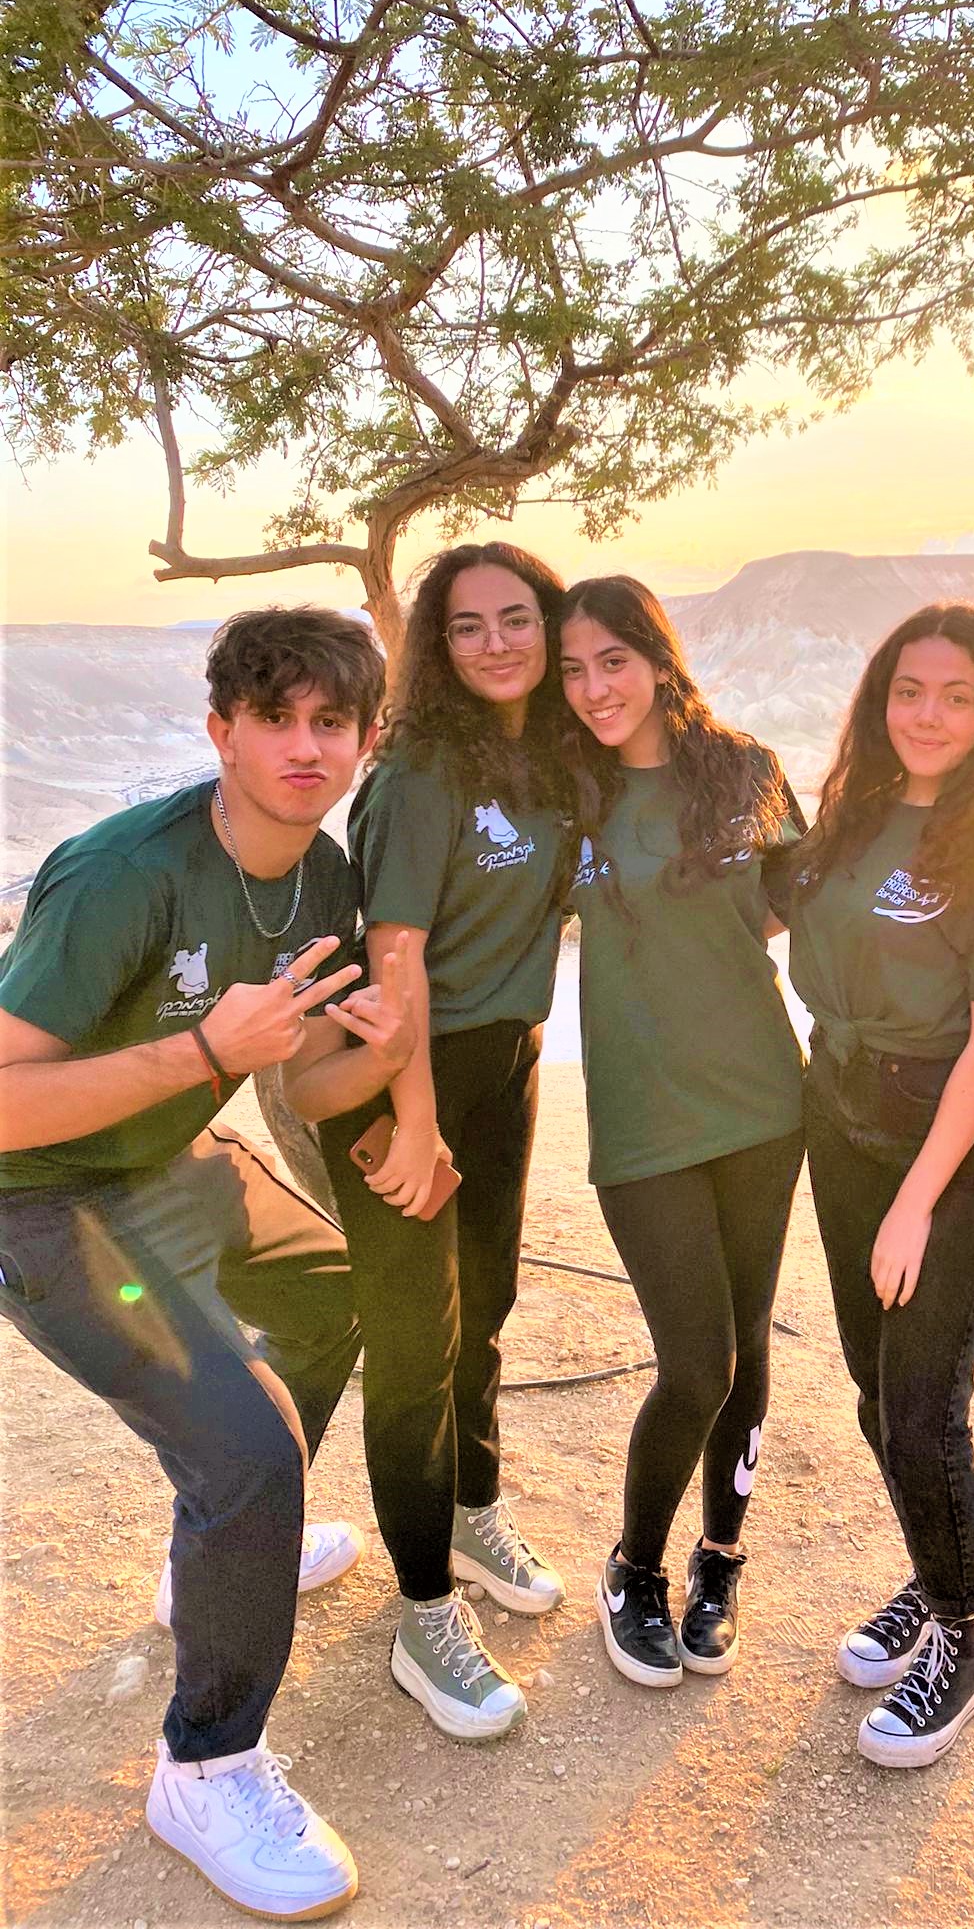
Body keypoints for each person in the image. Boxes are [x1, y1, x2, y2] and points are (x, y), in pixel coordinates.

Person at [0, 607, 409, 1921]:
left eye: (332, 721)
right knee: (250, 1448)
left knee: (335, 1291)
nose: (305, 747)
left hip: (162, 1161)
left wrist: (390, 1051)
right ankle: (205, 1767)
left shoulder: (325, 879)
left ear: (365, 737)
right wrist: (201, 1055)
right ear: (222, 730)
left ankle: (219, 1561)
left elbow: (306, 1075)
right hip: (37, 1199)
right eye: (274, 718)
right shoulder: (122, 876)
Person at [778, 604, 974, 1768]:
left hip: (953, 1144)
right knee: (872, 1381)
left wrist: (915, 1202)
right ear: (878, 700)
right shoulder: (849, 818)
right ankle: (930, 1569)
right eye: (908, 689)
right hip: (839, 1115)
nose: (928, 714)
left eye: (956, 695)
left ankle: (959, 1634)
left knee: (921, 1401)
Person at [315, 541, 569, 1743]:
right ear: (435, 645)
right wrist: (413, 1121)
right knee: (417, 1342)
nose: (496, 643)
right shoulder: (419, 771)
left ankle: (472, 1510)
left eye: (517, 617)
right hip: (407, 1075)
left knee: (489, 1305)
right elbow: (393, 957)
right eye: (467, 626)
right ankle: (423, 1614)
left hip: (505, 1060)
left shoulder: (544, 759)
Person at [559, 575, 805, 1687]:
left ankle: (719, 1559)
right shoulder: (563, 794)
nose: (594, 687)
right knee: (697, 1361)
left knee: (746, 1349)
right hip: (643, 1121)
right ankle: (635, 1567)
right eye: (572, 670)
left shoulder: (746, 772)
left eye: (613, 660)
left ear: (658, 658)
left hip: (764, 1104)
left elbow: (800, 901)